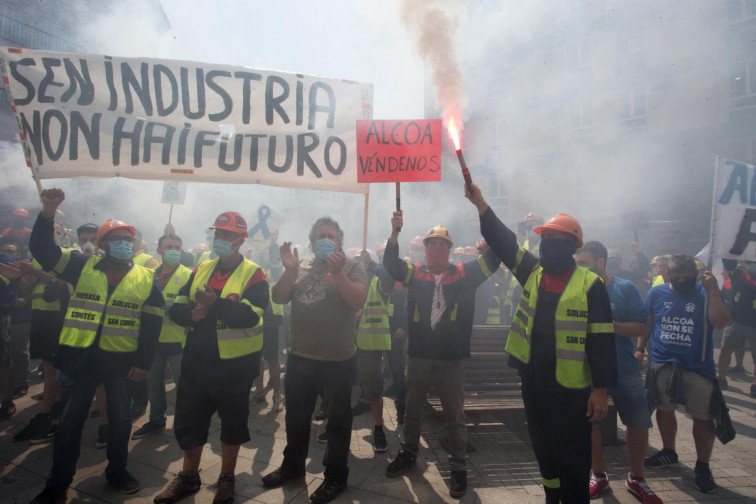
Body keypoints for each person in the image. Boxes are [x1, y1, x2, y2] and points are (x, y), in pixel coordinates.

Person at [466, 184, 616, 504]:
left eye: (554, 240)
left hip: (571, 389)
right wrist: (479, 202)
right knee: (543, 448)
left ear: (572, 246)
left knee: (572, 455)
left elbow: (602, 341)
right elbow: (504, 242)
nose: (546, 245)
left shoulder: (591, 285)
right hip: (533, 381)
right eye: (544, 239)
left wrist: (600, 391)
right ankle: (552, 496)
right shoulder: (533, 271)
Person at [28, 189, 165, 503]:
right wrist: (48, 212)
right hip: (79, 361)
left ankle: (117, 472)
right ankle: (57, 484)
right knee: (68, 426)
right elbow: (42, 249)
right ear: (102, 245)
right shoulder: (81, 265)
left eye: (128, 240)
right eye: (116, 239)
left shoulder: (147, 277)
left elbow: (153, 323)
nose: (123, 244)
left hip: (120, 363)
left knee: (120, 422)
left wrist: (144, 363)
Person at [153, 212, 268, 504]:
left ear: (241, 240)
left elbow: (253, 316)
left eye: (228, 235)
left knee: (232, 425)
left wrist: (214, 305)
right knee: (189, 424)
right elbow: (176, 305)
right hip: (196, 364)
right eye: (218, 234)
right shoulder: (200, 269)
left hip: (234, 368)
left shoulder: (254, 273)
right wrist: (189, 314)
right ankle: (189, 477)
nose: (221, 240)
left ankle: (226, 479)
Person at [382, 215, 501, 499]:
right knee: (412, 411)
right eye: (431, 243)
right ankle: (409, 452)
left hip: (451, 359)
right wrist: (395, 234)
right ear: (425, 248)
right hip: (420, 356)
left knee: (454, 415)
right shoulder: (415, 272)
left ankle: (458, 466)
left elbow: (494, 262)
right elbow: (390, 264)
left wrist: (488, 246)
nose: (436, 247)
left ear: (449, 248)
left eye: (442, 244)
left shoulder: (465, 272)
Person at [261, 217, 368, 504]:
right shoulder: (303, 266)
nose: (325, 239)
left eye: (331, 236)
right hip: (300, 359)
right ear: (311, 241)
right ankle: (293, 466)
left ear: (339, 241)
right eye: (320, 235)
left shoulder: (353, 267)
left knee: (337, 423)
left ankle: (335, 477)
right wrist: (289, 271)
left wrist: (340, 274)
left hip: (337, 361)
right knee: (296, 418)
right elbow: (279, 297)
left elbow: (357, 301)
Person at [574, 241, 661, 503]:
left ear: (600, 262)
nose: (578, 268)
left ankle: (637, 478)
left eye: (583, 263)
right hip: (588, 371)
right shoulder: (575, 288)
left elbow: (640, 328)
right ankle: (598, 476)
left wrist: (610, 326)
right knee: (592, 425)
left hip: (624, 369)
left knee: (637, 423)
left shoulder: (624, 288)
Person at [640, 254, 731, 493]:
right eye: (677, 276)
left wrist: (713, 291)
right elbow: (648, 323)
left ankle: (702, 465)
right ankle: (668, 451)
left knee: (702, 416)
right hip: (662, 361)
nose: (682, 279)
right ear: (667, 274)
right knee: (664, 408)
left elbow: (720, 322)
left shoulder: (705, 292)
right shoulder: (656, 293)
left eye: (687, 276)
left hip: (697, 365)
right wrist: (640, 349)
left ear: (695, 273)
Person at [131, 233, 193, 440]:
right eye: (168, 247)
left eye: (177, 247)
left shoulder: (189, 274)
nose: (173, 251)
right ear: (159, 250)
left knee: (183, 386)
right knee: (154, 385)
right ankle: (156, 420)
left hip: (179, 341)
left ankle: (185, 423)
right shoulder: (149, 274)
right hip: (153, 342)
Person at [354, 248, 394, 452]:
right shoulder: (351, 282)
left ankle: (378, 428)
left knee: (374, 388)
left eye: (363, 263)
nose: (360, 266)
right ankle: (335, 427)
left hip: (368, 344)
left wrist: (371, 264)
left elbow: (389, 279)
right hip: (344, 343)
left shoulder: (378, 283)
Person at [716, 260, 756, 397]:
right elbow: (729, 262)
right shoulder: (739, 275)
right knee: (725, 349)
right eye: (750, 263)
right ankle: (721, 379)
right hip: (736, 320)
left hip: (754, 323)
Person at [0, 251, 19, 421]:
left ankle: (7, 401)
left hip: (1, 316)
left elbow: (13, 273)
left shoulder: (4, 258)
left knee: (4, 359)